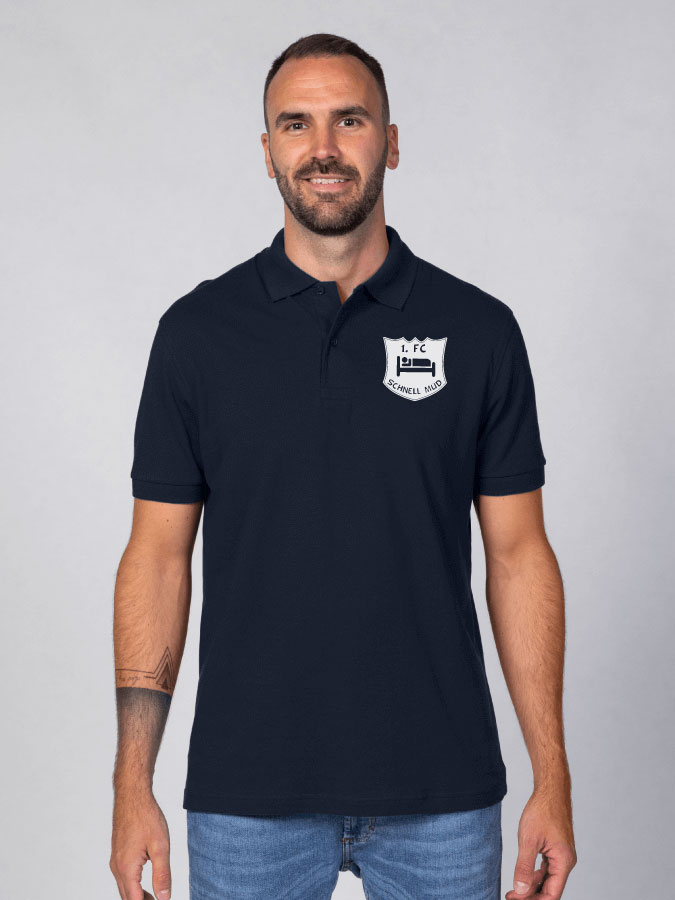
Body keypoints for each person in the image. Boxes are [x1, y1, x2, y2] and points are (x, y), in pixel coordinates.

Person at [109, 32, 577, 900]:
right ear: (268, 152)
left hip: (443, 793)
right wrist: (131, 783)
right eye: (296, 124)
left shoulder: (479, 331)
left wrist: (551, 775)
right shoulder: (197, 335)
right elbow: (157, 559)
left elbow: (518, 556)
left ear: (390, 143)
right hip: (247, 796)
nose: (322, 148)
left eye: (349, 121)